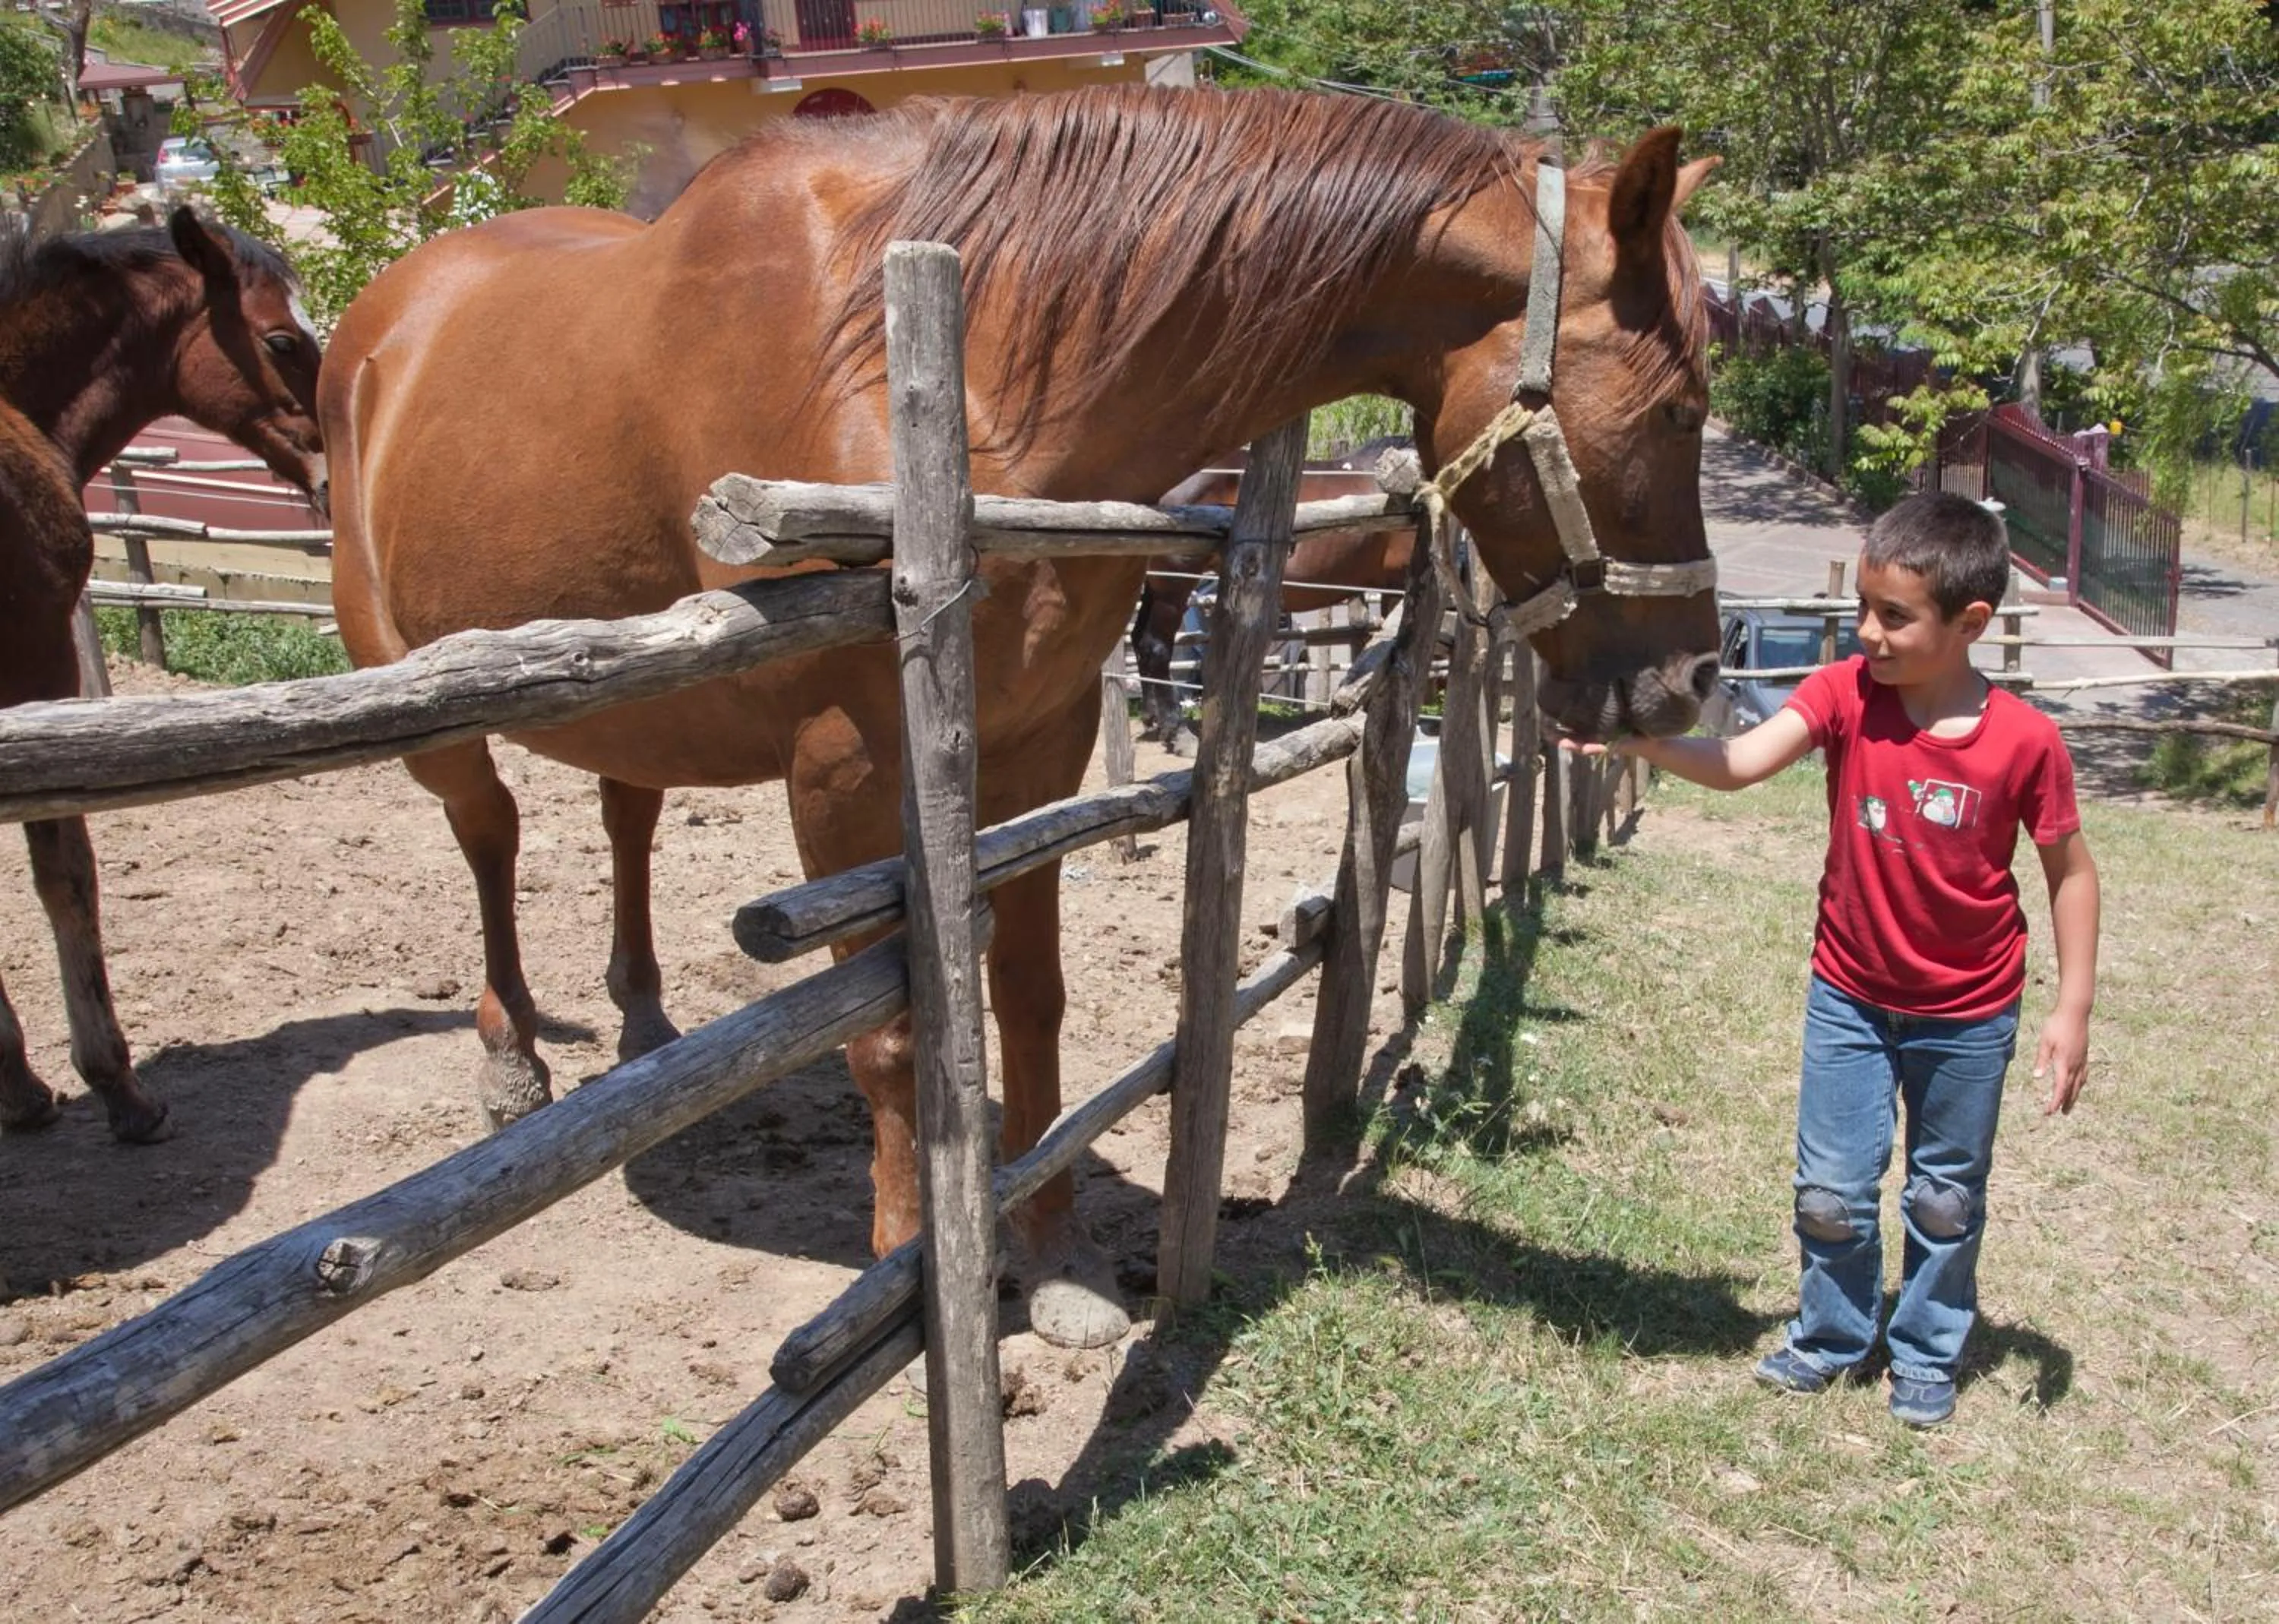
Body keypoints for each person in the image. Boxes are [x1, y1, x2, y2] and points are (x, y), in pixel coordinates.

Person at [1595, 491, 2101, 1427]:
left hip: (1970, 1012)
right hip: (1852, 999)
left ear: (1970, 623)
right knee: (1830, 1189)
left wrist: (2071, 1009)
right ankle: (1832, 1335)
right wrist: (1643, 740)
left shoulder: (2026, 742)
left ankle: (1925, 1347)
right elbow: (1745, 762)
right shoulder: (1843, 694)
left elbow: (2070, 871)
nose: (1866, 630)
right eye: (1864, 606)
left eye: (1893, 615)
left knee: (1946, 1197)